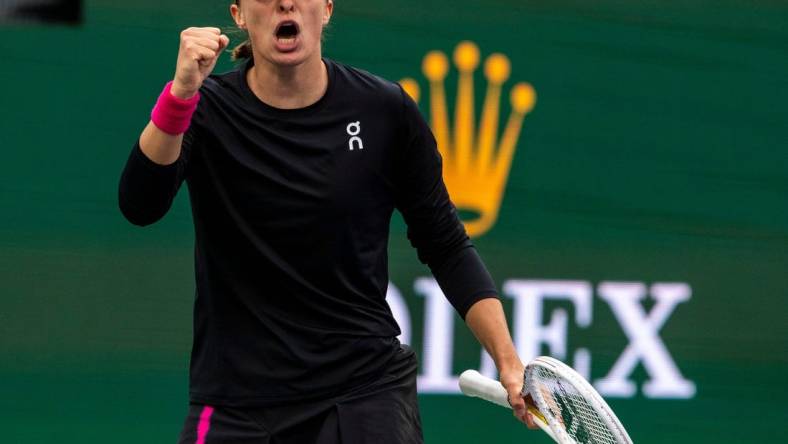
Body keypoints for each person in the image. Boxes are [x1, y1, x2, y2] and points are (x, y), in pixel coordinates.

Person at [119, 0, 536, 442]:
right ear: (239, 14)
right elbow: (140, 205)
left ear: (327, 9)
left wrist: (507, 359)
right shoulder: (204, 109)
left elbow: (446, 245)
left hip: (363, 395)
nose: (285, 2)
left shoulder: (384, 110)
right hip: (237, 403)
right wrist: (180, 95)